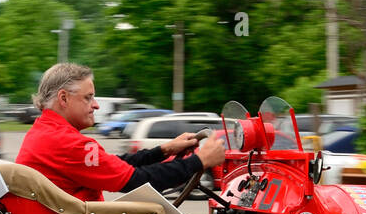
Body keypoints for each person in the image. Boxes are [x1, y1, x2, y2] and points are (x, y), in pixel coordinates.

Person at [14, 63, 226, 201]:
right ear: (63, 98)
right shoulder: (68, 143)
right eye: (88, 97)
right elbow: (135, 180)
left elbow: (111, 164)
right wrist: (199, 161)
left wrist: (164, 150)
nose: (96, 105)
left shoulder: (44, 132)